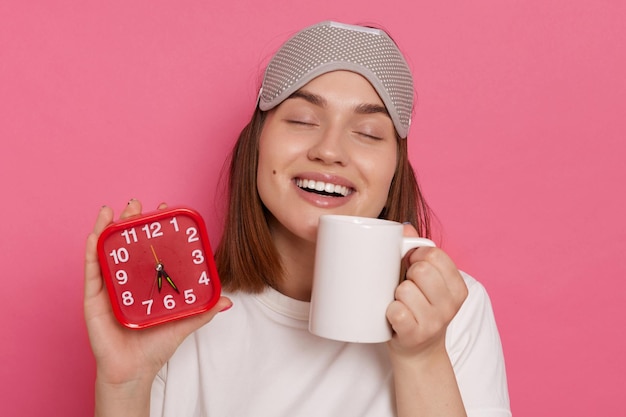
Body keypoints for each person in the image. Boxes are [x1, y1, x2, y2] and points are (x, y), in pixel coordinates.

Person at [84, 21, 511, 417]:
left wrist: (422, 356)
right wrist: (126, 385)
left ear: (395, 171)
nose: (329, 150)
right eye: (303, 120)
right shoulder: (181, 319)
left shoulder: (455, 312)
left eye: (367, 133)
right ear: (257, 144)